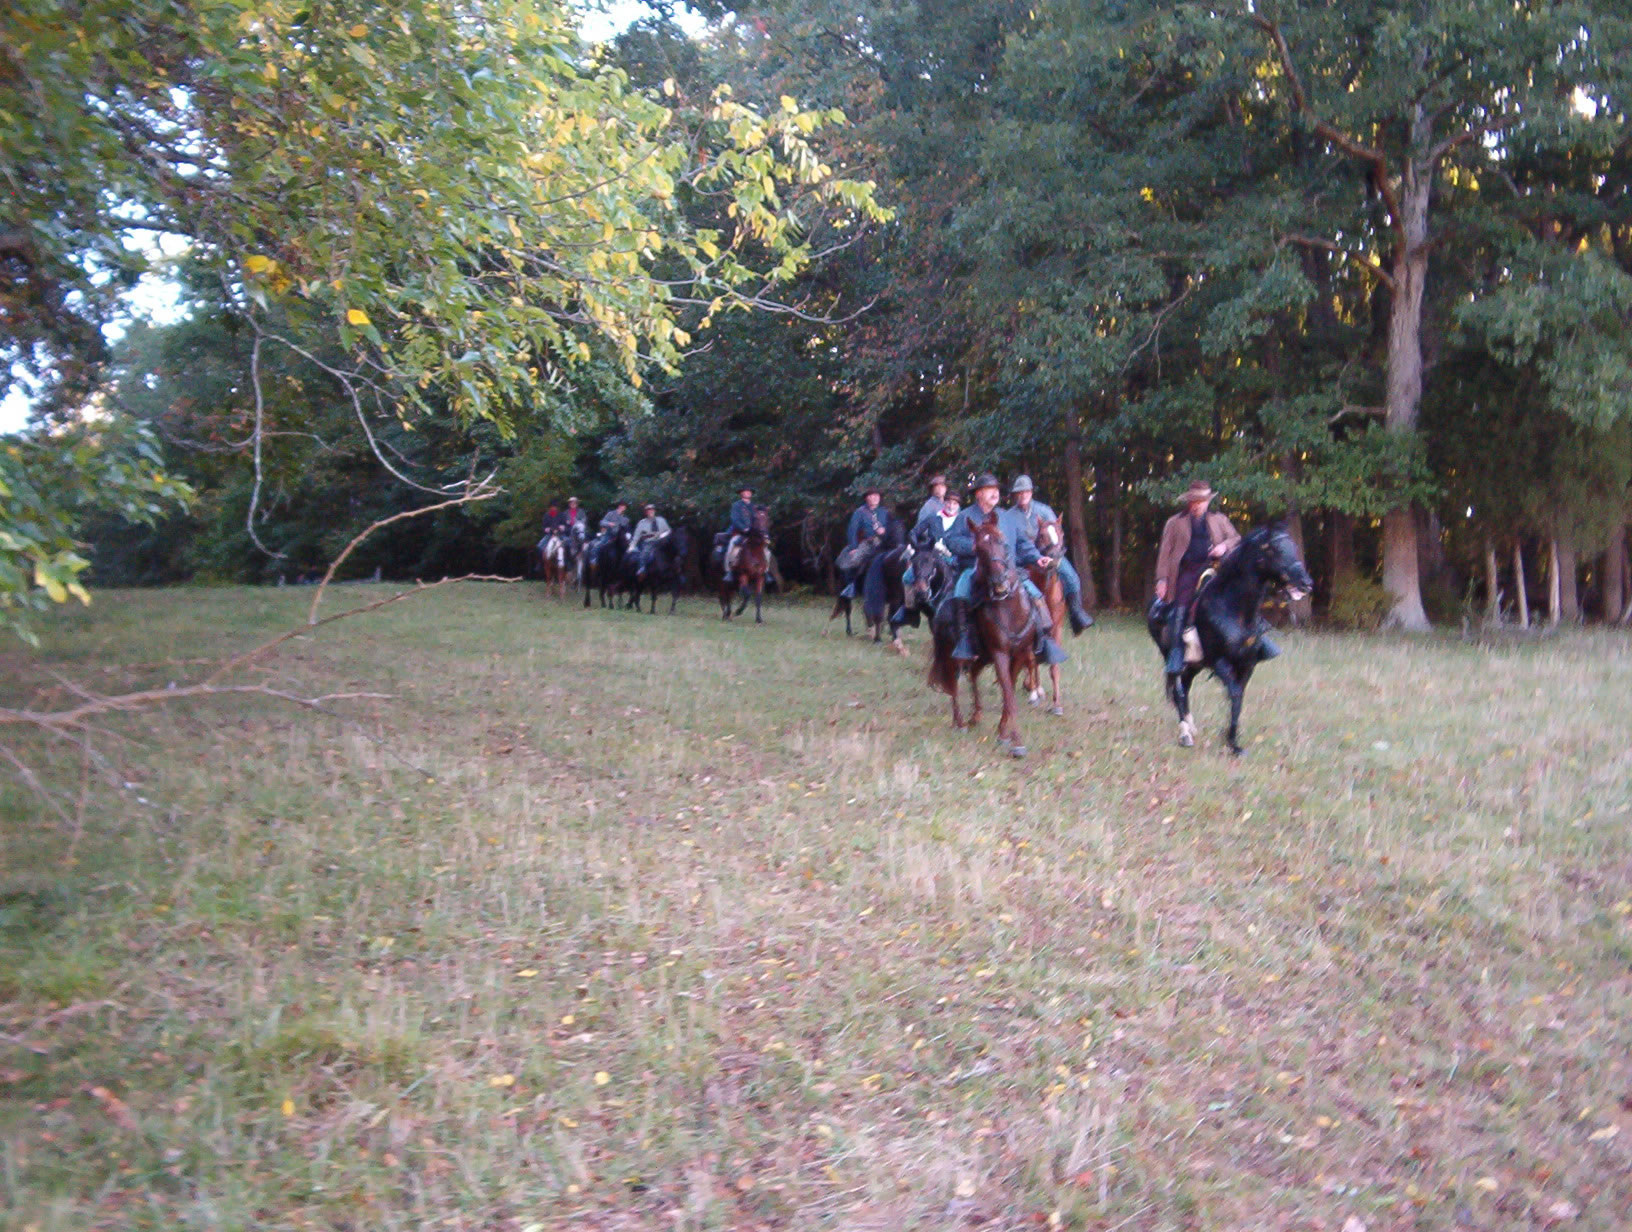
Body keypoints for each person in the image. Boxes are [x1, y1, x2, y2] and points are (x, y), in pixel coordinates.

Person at [942, 474, 1066, 666]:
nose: (995, 494)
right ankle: (965, 642)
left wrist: (1037, 558)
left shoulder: (1006, 518)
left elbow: (1022, 543)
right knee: (961, 593)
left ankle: (1044, 642)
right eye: (990, 490)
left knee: (1037, 596)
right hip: (974, 569)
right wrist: (975, 547)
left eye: (996, 490)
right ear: (979, 494)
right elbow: (951, 540)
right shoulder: (965, 516)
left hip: (1008, 572)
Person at [1153, 479, 1244, 675]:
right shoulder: (1175, 522)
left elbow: (1236, 538)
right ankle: (1176, 652)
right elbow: (1165, 553)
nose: (1197, 505)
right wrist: (1162, 579)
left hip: (1215, 569)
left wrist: (1223, 546)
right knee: (1181, 604)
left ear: (1208, 502)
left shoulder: (1219, 519)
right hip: (1187, 571)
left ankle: (1257, 638)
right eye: (1194, 501)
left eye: (1201, 501)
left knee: (1241, 594)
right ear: (1189, 501)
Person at [1008, 475, 1094, 635]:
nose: (1023, 495)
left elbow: (1056, 533)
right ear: (1015, 495)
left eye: (1026, 491)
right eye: (1019, 492)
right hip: (1023, 558)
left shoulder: (1044, 510)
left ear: (1031, 492)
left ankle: (1076, 613)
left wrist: (1054, 553)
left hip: (1048, 554)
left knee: (1071, 576)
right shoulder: (1010, 516)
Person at [839, 487, 892, 600]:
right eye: (871, 495)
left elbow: (892, 528)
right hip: (868, 543)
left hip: (884, 542)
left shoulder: (885, 512)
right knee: (854, 560)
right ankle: (851, 586)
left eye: (877, 495)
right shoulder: (859, 512)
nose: (875, 498)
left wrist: (884, 531)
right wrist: (854, 547)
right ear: (866, 498)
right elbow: (852, 530)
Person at [721, 485, 756, 574]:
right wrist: (744, 528)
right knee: (732, 547)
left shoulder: (754, 506)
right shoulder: (736, 505)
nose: (748, 492)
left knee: (765, 548)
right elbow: (735, 519)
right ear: (741, 493)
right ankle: (728, 570)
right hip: (739, 532)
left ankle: (766, 571)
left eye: (749, 491)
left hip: (753, 533)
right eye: (746, 491)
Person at [629, 502, 671, 576]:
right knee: (644, 553)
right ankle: (641, 569)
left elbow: (668, 530)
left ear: (654, 511)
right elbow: (636, 535)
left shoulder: (661, 520)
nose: (650, 511)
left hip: (662, 541)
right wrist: (632, 545)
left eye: (652, 510)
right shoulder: (642, 523)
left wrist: (662, 536)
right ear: (646, 512)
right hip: (649, 542)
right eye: (648, 510)